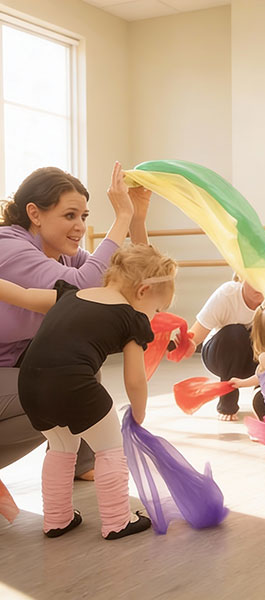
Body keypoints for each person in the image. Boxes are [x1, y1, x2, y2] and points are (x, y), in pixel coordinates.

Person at [0, 243, 177, 539]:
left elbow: (24, 295)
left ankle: (57, 519)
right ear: (143, 290)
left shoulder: (69, 295)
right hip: (74, 385)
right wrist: (140, 411)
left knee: (60, 447)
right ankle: (118, 521)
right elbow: (135, 379)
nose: (154, 316)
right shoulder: (132, 318)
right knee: (110, 448)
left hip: (29, 384)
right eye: (157, 309)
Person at [0, 162, 151, 479]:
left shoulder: (64, 253)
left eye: (83, 216)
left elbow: (138, 276)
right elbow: (83, 288)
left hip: (11, 363)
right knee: (58, 392)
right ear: (35, 214)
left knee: (74, 359)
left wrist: (136, 218)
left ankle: (82, 463)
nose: (80, 226)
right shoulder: (9, 247)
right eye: (69, 215)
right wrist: (120, 217)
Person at [183, 278, 265, 421]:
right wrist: (188, 345)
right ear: (241, 276)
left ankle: (264, 395)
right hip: (221, 354)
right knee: (236, 332)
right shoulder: (227, 294)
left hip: (257, 357)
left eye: (264, 278)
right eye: (253, 279)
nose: (259, 286)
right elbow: (195, 334)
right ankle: (228, 403)